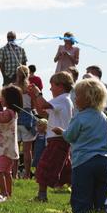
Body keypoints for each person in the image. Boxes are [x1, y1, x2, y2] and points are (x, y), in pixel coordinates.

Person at [54, 77, 107, 213]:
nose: (74, 98)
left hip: (84, 162)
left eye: (77, 95)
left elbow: (70, 137)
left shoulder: (79, 117)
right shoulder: (103, 117)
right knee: (101, 191)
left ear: (88, 98)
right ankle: (102, 212)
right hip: (104, 162)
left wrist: (61, 132)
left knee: (82, 191)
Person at [26, 70, 75, 202]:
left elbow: (43, 105)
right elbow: (42, 112)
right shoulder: (62, 100)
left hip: (58, 140)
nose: (50, 88)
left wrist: (38, 93)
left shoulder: (63, 99)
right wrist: (34, 97)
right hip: (59, 140)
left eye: (52, 85)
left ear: (61, 86)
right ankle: (78, 193)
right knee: (66, 172)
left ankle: (42, 196)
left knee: (44, 166)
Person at [0, 85, 21, 200]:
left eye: (3, 97)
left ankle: (3, 193)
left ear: (9, 99)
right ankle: (8, 193)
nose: (1, 99)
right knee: (7, 172)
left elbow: (3, 118)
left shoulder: (9, 112)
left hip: (4, 148)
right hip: (9, 148)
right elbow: (1, 114)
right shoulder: (12, 112)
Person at [13, 66, 38, 179]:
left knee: (15, 149)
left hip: (15, 119)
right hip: (27, 119)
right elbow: (33, 105)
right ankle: (27, 174)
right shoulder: (30, 89)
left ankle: (14, 174)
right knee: (27, 150)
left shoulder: (13, 87)